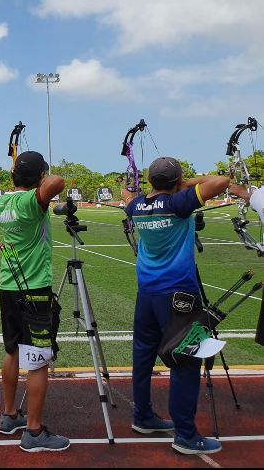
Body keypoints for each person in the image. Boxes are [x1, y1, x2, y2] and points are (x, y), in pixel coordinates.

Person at [122, 157, 231, 455]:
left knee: (143, 356)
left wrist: (148, 188)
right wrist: (186, 184)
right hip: (179, 297)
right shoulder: (180, 203)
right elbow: (221, 182)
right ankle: (185, 434)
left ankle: (142, 416)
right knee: (186, 360)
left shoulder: (137, 206)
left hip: (147, 293)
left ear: (151, 180)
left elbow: (126, 196)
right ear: (176, 182)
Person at [0, 151, 70, 453]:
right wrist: (42, 178)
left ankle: (10, 415)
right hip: (34, 288)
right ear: (38, 178)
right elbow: (57, 182)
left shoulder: (2, 203)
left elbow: (47, 184)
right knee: (37, 360)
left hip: (8, 286)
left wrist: (27, 175)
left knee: (12, 350)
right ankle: (34, 432)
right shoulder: (29, 204)